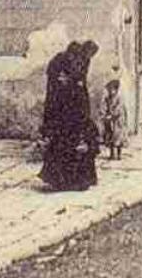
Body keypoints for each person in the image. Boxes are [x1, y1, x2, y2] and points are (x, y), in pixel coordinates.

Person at [39, 39, 100, 191]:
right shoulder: (66, 63)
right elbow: (69, 85)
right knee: (67, 144)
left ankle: (69, 180)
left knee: (68, 145)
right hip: (68, 111)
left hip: (71, 110)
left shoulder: (78, 61)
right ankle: (67, 181)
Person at [99, 78, 128, 162]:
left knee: (118, 138)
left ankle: (119, 154)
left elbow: (119, 109)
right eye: (108, 90)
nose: (110, 91)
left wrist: (112, 115)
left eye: (111, 89)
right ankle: (112, 154)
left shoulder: (119, 99)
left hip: (118, 121)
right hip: (109, 121)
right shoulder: (107, 99)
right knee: (110, 136)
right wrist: (103, 114)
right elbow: (103, 107)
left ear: (116, 90)